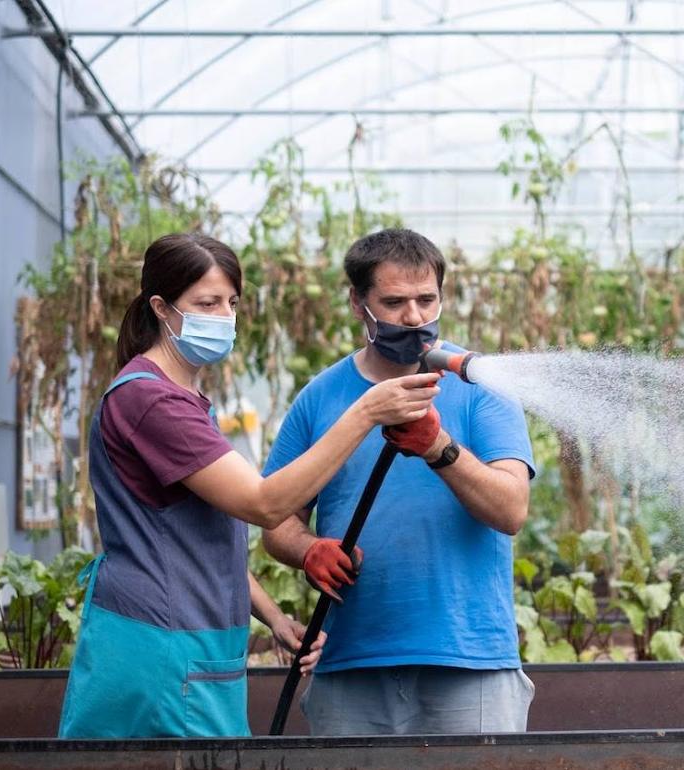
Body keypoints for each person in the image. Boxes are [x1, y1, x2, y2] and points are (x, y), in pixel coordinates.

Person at [57, 233, 440, 738]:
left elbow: (198, 540)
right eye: (206, 303)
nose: (223, 316)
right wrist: (367, 410)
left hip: (192, 639)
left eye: (231, 303)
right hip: (164, 647)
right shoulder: (153, 402)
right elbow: (264, 504)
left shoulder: (183, 399)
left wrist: (275, 618)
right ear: (161, 308)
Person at [262, 228, 536, 735]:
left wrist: (440, 448)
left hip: (469, 660)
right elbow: (275, 521)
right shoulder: (320, 398)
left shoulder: (481, 386)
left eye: (426, 299)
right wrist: (307, 550)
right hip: (350, 664)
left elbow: (511, 509)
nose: (414, 317)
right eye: (393, 302)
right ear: (357, 303)